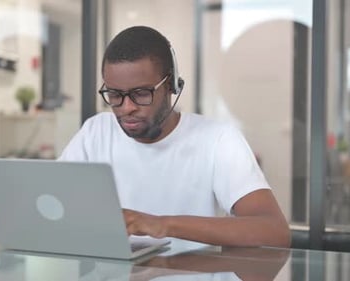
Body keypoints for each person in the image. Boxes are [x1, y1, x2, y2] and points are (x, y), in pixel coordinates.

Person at [58, 26, 291, 248]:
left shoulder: (218, 139)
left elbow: (274, 232)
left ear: (171, 85)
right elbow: (55, 207)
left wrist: (161, 225)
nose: (126, 107)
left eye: (140, 93)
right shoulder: (95, 132)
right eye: (115, 94)